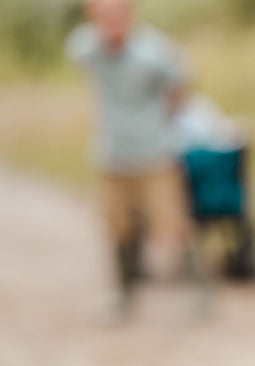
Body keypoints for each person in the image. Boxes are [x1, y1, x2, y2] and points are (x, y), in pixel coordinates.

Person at [65, 0, 205, 320]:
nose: (110, 25)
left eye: (115, 16)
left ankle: (201, 293)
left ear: (129, 16)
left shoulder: (153, 51)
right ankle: (124, 296)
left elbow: (181, 80)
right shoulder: (87, 47)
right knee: (117, 228)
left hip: (154, 154)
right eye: (102, 18)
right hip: (111, 154)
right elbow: (76, 51)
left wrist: (165, 120)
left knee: (173, 224)